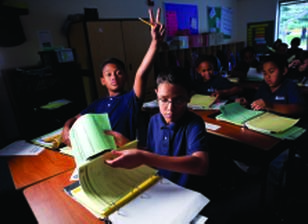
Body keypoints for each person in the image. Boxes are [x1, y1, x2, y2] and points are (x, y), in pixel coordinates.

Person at [61, 8, 165, 146]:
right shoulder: (97, 104)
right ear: (102, 81)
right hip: (96, 150)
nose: (113, 77)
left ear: (126, 77)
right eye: (108, 74)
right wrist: (66, 128)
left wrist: (155, 43)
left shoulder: (130, 100)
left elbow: (142, 73)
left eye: (118, 72)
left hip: (121, 153)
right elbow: (75, 118)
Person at [104, 67, 209, 193]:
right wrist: (129, 145)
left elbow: (201, 165)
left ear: (188, 97)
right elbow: (153, 153)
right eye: (164, 100)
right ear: (156, 94)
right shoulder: (154, 120)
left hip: (184, 191)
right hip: (160, 186)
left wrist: (144, 157)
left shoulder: (194, 123)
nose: (170, 108)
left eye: (179, 100)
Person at [236, 53, 306, 118]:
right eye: (264, 73)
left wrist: (270, 106)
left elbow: (298, 108)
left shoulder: (290, 86)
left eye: (271, 71)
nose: (267, 76)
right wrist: (247, 104)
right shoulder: (263, 87)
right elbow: (258, 104)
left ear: (284, 71)